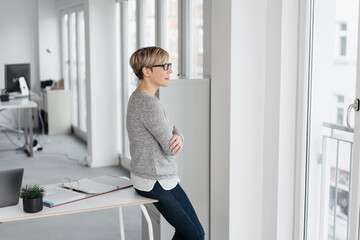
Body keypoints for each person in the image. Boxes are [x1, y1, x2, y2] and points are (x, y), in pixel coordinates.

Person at [126, 46, 205, 240]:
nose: (170, 70)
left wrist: (179, 136)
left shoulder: (139, 98)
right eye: (165, 66)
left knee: (187, 232)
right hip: (158, 180)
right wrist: (177, 137)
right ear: (146, 71)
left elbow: (172, 128)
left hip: (147, 176)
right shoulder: (149, 104)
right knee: (196, 235)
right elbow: (171, 148)